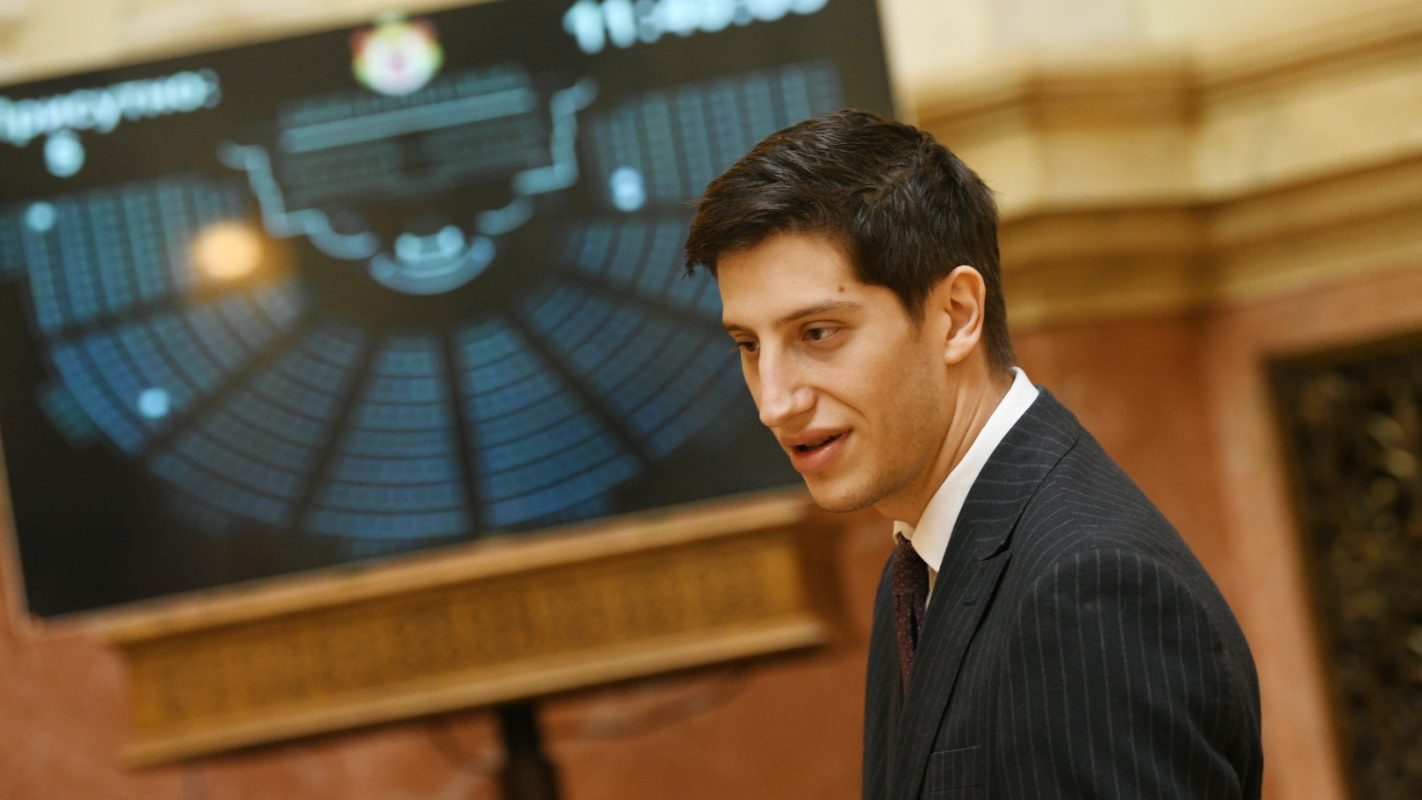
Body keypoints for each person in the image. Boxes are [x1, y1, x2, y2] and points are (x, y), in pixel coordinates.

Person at [683, 109, 1263, 799]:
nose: (774, 403)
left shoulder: (1088, 588)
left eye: (817, 333)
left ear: (956, 314)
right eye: (749, 346)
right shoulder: (918, 567)